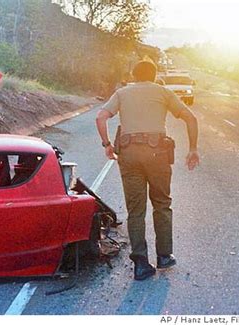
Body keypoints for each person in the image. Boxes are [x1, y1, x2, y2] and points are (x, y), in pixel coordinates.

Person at [95, 60, 200, 280]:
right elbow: (191, 118)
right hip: (157, 155)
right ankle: (164, 256)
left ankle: (141, 263)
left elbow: (101, 117)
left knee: (136, 210)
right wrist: (192, 149)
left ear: (134, 75)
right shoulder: (163, 92)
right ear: (153, 76)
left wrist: (107, 145)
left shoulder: (122, 93)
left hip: (129, 155)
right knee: (162, 204)